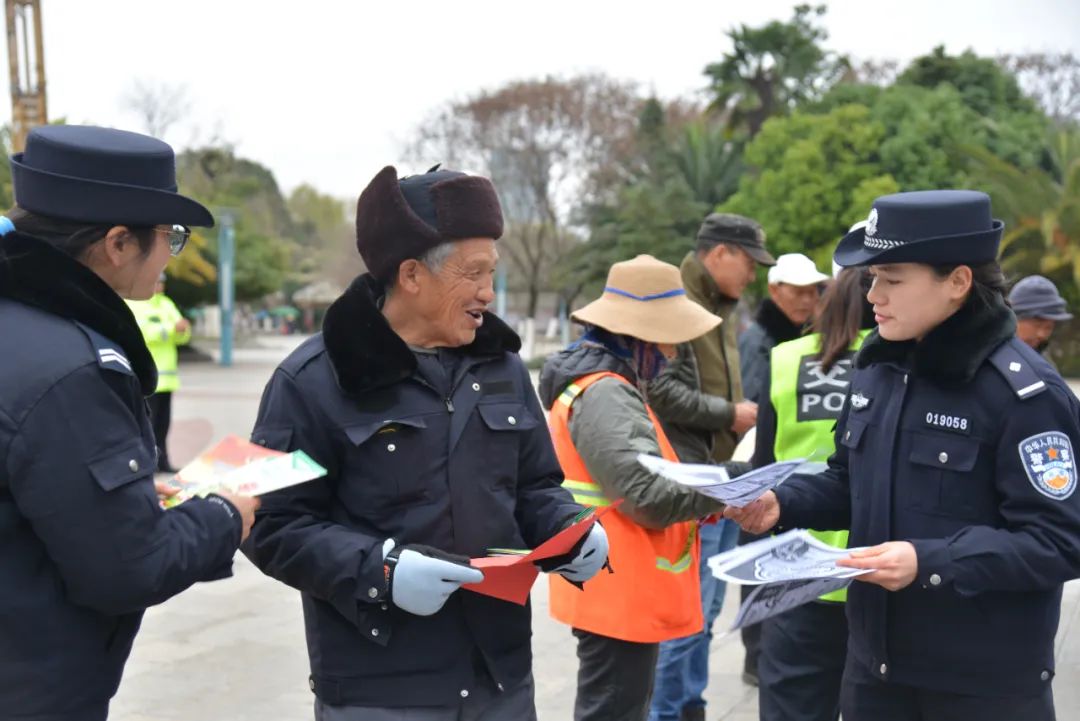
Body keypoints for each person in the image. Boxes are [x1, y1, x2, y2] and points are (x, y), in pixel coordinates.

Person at [243, 165, 602, 721]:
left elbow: (535, 485)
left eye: (492, 272)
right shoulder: (312, 379)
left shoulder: (501, 367)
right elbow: (268, 524)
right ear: (411, 274)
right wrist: (379, 571)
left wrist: (567, 529)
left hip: (500, 680)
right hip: (381, 690)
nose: (489, 291)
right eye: (474, 273)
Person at [726, 190, 1080, 721]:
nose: (872, 295)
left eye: (891, 279)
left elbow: (1059, 539)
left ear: (957, 282)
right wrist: (783, 503)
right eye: (871, 279)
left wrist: (930, 562)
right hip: (875, 675)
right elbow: (849, 480)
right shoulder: (879, 369)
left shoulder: (1025, 395)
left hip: (983, 688)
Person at [0, 125, 259, 721]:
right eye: (171, 237)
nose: (173, 254)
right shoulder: (70, 370)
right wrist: (224, 513)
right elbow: (126, 569)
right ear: (118, 243)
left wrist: (130, 494)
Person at [540, 254, 742, 721]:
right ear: (641, 336)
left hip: (614, 586)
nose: (671, 355)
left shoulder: (607, 384)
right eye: (668, 342)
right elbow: (646, 495)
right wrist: (728, 485)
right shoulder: (606, 390)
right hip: (618, 591)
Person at [644, 213, 774, 721]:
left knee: (706, 610)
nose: (752, 275)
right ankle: (667, 711)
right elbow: (659, 389)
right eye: (747, 262)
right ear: (719, 253)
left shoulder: (719, 305)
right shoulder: (678, 305)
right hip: (690, 478)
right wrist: (730, 413)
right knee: (686, 613)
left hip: (719, 474)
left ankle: (689, 704)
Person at [751, 265, 875, 721]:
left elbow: (763, 464)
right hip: (876, 564)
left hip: (795, 562)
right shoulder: (897, 361)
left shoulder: (785, 358)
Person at [740, 252, 830, 405]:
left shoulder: (819, 335)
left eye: (811, 292)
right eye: (798, 292)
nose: (807, 300)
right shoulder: (756, 342)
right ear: (774, 290)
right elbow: (753, 400)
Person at [127, 273, 192, 472]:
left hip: (168, 379)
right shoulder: (135, 304)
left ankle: (163, 462)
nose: (160, 286)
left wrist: (181, 331)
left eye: (162, 283)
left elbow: (182, 337)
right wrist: (173, 329)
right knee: (148, 426)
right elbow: (143, 333)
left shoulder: (166, 304)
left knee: (163, 425)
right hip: (148, 378)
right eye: (156, 282)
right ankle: (149, 464)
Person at [1009, 275, 1072, 355]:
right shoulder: (991, 353)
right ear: (1013, 318)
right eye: (1036, 325)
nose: (1042, 335)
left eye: (1048, 328)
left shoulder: (1043, 362)